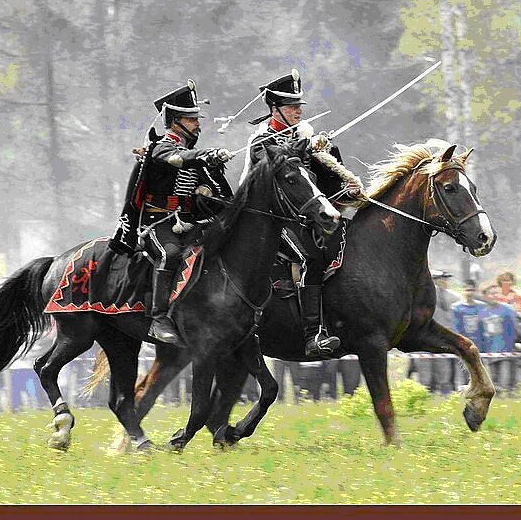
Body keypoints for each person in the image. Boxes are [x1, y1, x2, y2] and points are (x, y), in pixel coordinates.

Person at [242, 69, 363, 358]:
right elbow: (276, 164)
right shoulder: (262, 139)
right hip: (268, 218)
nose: (298, 111)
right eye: (291, 107)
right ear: (275, 109)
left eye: (299, 106)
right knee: (309, 258)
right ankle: (312, 335)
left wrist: (342, 181)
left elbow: (320, 182)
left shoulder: (302, 133)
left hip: (303, 216)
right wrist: (307, 145)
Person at [109, 80, 234, 346]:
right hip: (156, 223)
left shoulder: (193, 154)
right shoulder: (161, 147)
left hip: (187, 222)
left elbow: (211, 187)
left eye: (196, 119)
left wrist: (206, 191)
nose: (197, 124)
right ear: (175, 122)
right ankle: (158, 318)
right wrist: (208, 154)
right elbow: (177, 159)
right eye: (191, 120)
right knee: (171, 253)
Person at [414, 271, 462, 394]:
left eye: (444, 279)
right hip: (423, 339)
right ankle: (425, 401)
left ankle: (444, 401)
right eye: (437, 279)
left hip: (442, 339)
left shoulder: (454, 298)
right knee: (425, 376)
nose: (441, 282)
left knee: (444, 374)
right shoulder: (418, 297)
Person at [479, 284, 517, 391]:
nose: (495, 296)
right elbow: (480, 332)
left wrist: (511, 346)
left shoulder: (508, 309)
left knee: (504, 383)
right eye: (492, 294)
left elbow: (513, 330)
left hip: (505, 351)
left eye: (497, 293)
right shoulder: (481, 312)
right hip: (489, 351)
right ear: (485, 296)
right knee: (492, 383)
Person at [452, 279, 484, 388]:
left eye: (471, 290)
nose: (469, 293)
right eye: (467, 290)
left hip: (479, 345)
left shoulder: (482, 307)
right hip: (463, 345)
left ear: (475, 291)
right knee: (463, 371)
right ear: (462, 291)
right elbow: (456, 328)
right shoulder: (456, 308)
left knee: (478, 370)